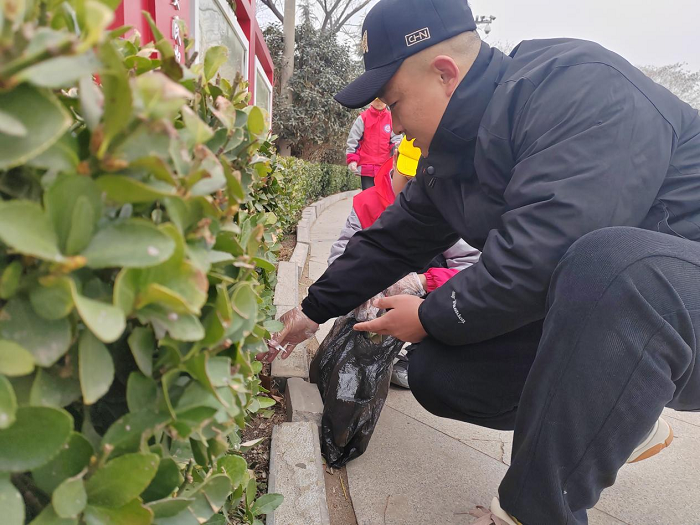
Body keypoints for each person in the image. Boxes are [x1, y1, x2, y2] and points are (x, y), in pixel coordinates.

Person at [259, 0, 700, 523]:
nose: (394, 127)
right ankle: (625, 414)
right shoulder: (454, 157)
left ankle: (530, 512)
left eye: (395, 103)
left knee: (614, 264)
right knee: (442, 373)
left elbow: (543, 255)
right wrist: (312, 310)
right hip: (616, 321)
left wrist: (425, 315)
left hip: (675, 303)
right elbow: (390, 241)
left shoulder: (579, 87)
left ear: (445, 74)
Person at [330, 136, 481, 387]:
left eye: (418, 180)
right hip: (376, 293)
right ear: (395, 161)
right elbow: (339, 257)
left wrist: (423, 281)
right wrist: (359, 288)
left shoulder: (447, 209)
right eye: (408, 179)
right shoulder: (366, 204)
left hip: (422, 297)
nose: (414, 188)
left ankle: (415, 353)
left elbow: (471, 269)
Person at [346, 98, 402, 190]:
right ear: (371, 101)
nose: (379, 104)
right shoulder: (363, 118)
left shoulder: (391, 118)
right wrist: (352, 160)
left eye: (381, 101)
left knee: (383, 197)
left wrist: (397, 151)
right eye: (376, 101)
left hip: (385, 168)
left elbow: (396, 139)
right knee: (368, 196)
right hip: (366, 166)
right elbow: (354, 140)